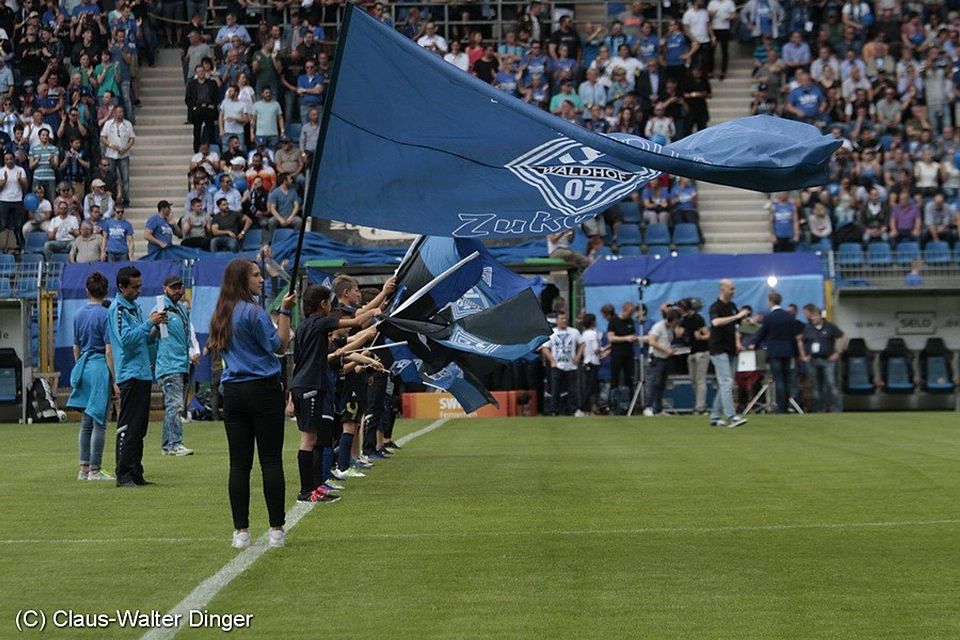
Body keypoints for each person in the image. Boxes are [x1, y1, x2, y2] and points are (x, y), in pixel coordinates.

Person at [206, 259, 294, 549]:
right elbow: (279, 345)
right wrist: (285, 312)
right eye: (255, 276)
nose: (261, 279)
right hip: (263, 389)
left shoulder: (221, 313)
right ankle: (276, 530)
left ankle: (240, 531)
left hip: (233, 392)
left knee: (239, 464)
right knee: (270, 460)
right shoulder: (254, 312)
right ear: (242, 281)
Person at [291, 284, 380, 503]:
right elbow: (357, 322)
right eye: (330, 303)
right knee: (309, 439)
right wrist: (376, 312)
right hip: (310, 386)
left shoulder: (305, 327)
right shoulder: (319, 323)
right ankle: (307, 490)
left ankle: (315, 486)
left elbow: (345, 344)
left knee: (316, 439)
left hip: (305, 385)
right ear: (323, 304)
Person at [108, 266, 167, 487]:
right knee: (128, 425)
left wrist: (155, 328)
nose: (139, 290)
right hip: (129, 373)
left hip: (142, 372)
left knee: (139, 427)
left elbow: (144, 339)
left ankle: (135, 471)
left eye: (140, 286)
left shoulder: (135, 308)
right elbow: (126, 339)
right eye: (135, 287)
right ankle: (123, 474)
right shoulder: (119, 310)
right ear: (122, 287)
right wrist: (149, 323)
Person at [66, 271, 115, 482]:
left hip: (83, 365)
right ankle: (95, 470)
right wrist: (114, 377)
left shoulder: (78, 314)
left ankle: (83, 469)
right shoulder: (106, 315)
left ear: (87, 290)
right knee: (100, 422)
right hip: (99, 367)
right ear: (106, 291)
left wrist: (79, 367)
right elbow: (108, 350)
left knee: (85, 423)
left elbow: (75, 347)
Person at [156, 275, 198, 456]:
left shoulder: (180, 308)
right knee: (175, 405)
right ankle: (174, 443)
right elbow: (151, 331)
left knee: (174, 404)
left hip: (180, 362)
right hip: (169, 363)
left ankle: (168, 444)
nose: (178, 291)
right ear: (165, 288)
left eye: (179, 287)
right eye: (174, 288)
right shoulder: (160, 309)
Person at [751, 290, 801, 413]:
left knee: (778, 379)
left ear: (770, 302)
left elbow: (762, 334)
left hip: (774, 352)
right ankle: (787, 405)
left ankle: (780, 406)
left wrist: (754, 345)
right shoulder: (789, 317)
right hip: (788, 351)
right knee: (787, 379)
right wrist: (796, 353)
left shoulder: (769, 317)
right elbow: (793, 337)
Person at [708, 279, 749, 427]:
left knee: (725, 383)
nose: (733, 292)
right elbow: (716, 323)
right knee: (727, 382)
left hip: (731, 348)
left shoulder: (732, 306)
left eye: (734, 289)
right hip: (718, 349)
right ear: (722, 289)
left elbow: (736, 327)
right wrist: (737, 317)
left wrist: (738, 341)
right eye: (731, 289)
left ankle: (714, 416)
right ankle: (731, 416)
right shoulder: (715, 307)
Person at [798, 304, 845, 413]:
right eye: (812, 317)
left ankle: (837, 408)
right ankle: (820, 409)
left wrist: (838, 352)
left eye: (815, 316)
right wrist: (803, 355)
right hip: (813, 360)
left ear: (820, 316)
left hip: (827, 360)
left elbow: (842, 337)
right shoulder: (808, 328)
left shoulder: (830, 327)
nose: (813, 318)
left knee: (830, 383)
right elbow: (800, 341)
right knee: (815, 386)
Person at [543, 310, 582, 416]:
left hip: (571, 365)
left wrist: (578, 356)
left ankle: (572, 409)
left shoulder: (574, 332)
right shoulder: (552, 332)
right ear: (557, 320)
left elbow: (582, 343)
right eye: (562, 319)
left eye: (565, 319)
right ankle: (554, 410)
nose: (564, 321)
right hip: (557, 365)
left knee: (572, 389)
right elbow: (545, 348)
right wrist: (552, 360)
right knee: (555, 389)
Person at [643, 308, 682, 416]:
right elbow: (651, 341)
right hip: (656, 358)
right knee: (653, 383)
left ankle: (658, 408)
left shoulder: (670, 329)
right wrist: (666, 350)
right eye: (676, 321)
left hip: (665, 358)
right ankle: (648, 406)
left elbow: (668, 341)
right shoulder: (658, 326)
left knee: (661, 384)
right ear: (672, 319)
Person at [604, 302, 639, 414]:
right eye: (629, 312)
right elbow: (611, 338)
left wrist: (633, 338)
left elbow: (632, 334)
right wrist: (626, 338)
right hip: (617, 354)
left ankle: (630, 405)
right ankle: (614, 406)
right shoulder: (614, 321)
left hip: (629, 354)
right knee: (615, 380)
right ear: (624, 310)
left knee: (630, 379)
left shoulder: (630, 321)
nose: (630, 315)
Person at [679, 298, 710, 414]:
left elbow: (707, 334)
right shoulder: (684, 320)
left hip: (701, 352)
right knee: (693, 380)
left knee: (700, 379)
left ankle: (700, 407)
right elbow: (679, 333)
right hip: (690, 352)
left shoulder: (698, 319)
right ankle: (700, 404)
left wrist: (700, 337)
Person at [100, 105, 134, 206]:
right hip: (111, 154)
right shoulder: (108, 124)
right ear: (114, 113)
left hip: (124, 155)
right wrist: (111, 145)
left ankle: (126, 200)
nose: (121, 114)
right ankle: (113, 199)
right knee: (112, 177)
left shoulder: (127, 124)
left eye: (122, 112)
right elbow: (103, 137)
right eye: (118, 112)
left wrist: (126, 148)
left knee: (125, 178)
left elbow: (132, 138)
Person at [577, 313, 604, 416]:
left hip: (587, 362)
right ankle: (581, 407)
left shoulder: (584, 333)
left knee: (592, 387)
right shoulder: (593, 334)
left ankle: (588, 408)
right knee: (590, 387)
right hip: (592, 362)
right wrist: (604, 350)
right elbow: (595, 349)